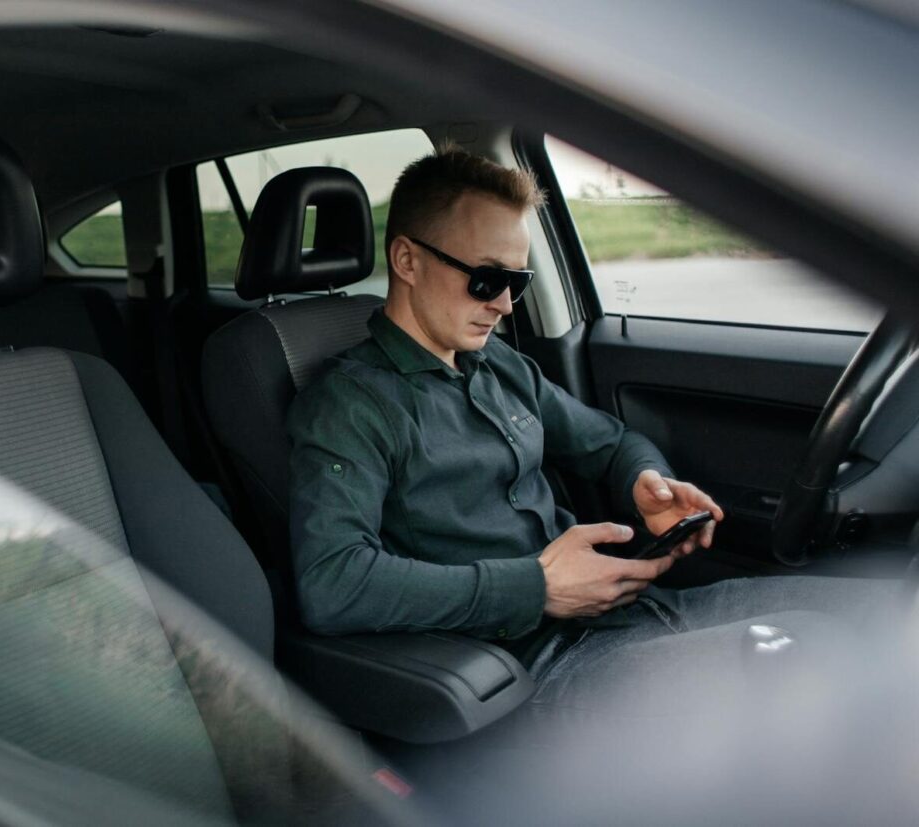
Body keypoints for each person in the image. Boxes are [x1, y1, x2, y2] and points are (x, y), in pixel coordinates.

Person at [286, 146, 894, 718]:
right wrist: (535, 588)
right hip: (541, 669)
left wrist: (647, 484)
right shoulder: (352, 403)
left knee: (891, 615)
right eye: (485, 279)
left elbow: (609, 443)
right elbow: (334, 583)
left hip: (641, 611)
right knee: (819, 672)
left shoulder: (499, 365)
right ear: (407, 260)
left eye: (517, 284)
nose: (504, 305)